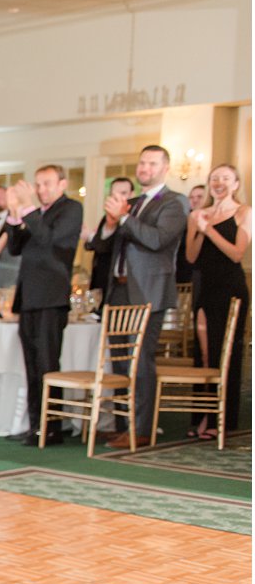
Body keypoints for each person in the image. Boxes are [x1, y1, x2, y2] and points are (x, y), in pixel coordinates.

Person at [100, 144, 188, 449]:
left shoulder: (175, 202)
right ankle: (123, 424)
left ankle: (142, 429)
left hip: (149, 290)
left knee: (140, 362)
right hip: (120, 288)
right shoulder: (133, 202)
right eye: (141, 163)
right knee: (121, 362)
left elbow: (157, 240)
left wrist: (123, 219)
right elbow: (103, 244)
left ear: (165, 168)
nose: (144, 169)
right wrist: (112, 224)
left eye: (151, 164)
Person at [5, 165, 84, 445]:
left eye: (47, 184)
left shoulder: (71, 210)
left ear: (62, 184)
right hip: (28, 298)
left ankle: (51, 427)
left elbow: (49, 239)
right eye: (37, 184)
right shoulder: (36, 214)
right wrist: (14, 216)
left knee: (47, 364)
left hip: (51, 297)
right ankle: (35, 424)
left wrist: (27, 209)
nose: (41, 190)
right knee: (30, 364)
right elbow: (15, 248)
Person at [185, 163, 249, 438]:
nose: (218, 182)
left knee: (225, 352)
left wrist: (210, 230)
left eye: (225, 178)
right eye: (214, 178)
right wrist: (200, 229)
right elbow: (190, 256)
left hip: (231, 287)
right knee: (205, 352)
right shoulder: (198, 214)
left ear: (235, 184)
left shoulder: (244, 212)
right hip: (204, 286)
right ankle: (203, 415)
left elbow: (237, 254)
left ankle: (222, 419)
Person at [86, 177, 136, 297]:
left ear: (132, 195)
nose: (118, 198)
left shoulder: (135, 219)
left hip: (126, 283)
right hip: (103, 278)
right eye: (114, 194)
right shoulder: (106, 218)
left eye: (123, 193)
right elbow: (98, 246)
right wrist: (109, 226)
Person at [176, 183, 208, 285]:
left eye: (199, 197)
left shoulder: (215, 219)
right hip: (182, 273)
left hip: (207, 272)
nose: (194, 200)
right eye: (191, 197)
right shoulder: (181, 220)